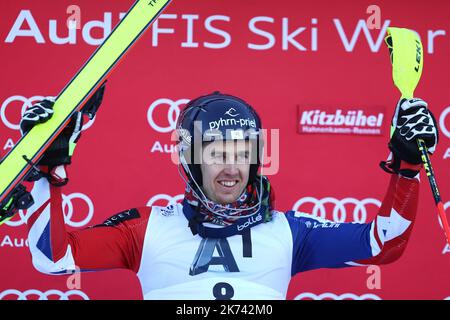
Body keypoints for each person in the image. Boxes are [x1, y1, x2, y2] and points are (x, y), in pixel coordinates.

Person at [20, 90, 438, 300]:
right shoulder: (147, 228)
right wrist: (47, 172)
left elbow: (384, 245)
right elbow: (52, 258)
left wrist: (406, 167)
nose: (232, 167)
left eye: (242, 152)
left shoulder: (289, 231)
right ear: (189, 159)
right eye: (217, 153)